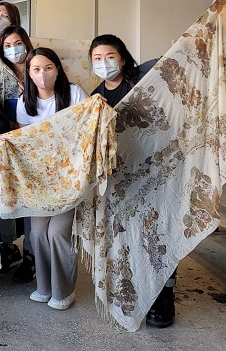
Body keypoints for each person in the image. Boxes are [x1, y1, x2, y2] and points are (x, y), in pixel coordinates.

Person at [88, 34, 173, 328]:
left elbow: (168, 64)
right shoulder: (95, 97)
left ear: (122, 59)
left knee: (157, 232)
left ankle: (165, 295)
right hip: (119, 179)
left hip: (153, 171)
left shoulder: (143, 82)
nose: (104, 63)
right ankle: (141, 290)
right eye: (97, 59)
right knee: (129, 237)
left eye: (110, 57)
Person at [17, 47, 88, 311]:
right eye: (36, 69)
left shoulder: (74, 93)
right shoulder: (25, 102)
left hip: (69, 177)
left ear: (58, 69)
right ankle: (44, 287)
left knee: (57, 233)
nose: (43, 74)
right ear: (29, 73)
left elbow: (88, 127)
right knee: (37, 233)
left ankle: (63, 291)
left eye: (48, 67)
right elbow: (24, 142)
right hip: (40, 180)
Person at [0, 24, 35, 278]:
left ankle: (31, 253)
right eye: (7, 46)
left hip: (33, 147)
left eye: (17, 43)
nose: (13, 50)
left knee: (31, 199)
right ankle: (8, 247)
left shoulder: (39, 70)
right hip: (6, 145)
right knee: (5, 194)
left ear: (27, 44)